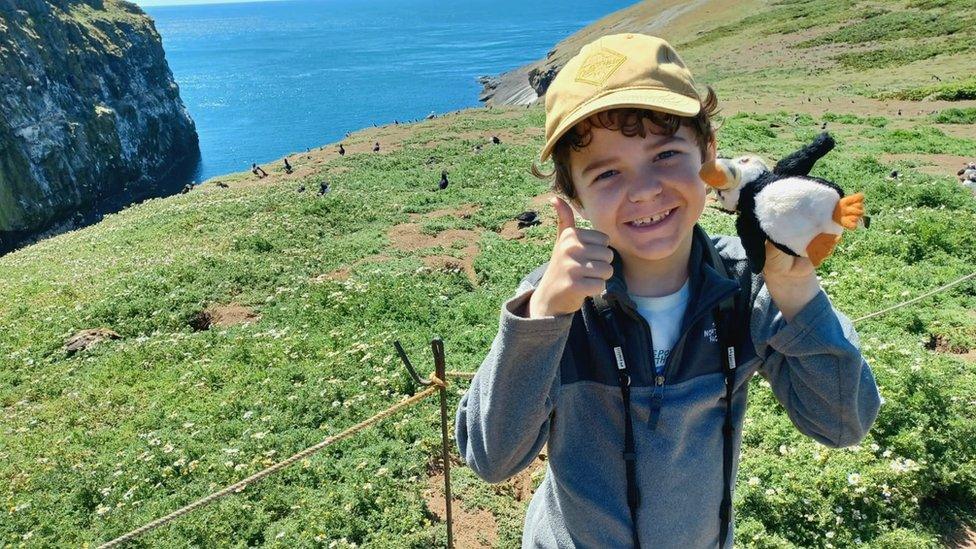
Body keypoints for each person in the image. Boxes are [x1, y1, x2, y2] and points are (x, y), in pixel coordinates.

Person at [455, 34, 881, 549]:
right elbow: (491, 458)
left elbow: (842, 422)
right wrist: (543, 314)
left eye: (665, 154)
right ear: (573, 196)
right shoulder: (557, 304)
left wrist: (794, 289)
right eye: (607, 172)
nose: (644, 189)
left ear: (709, 156)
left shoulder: (750, 285)